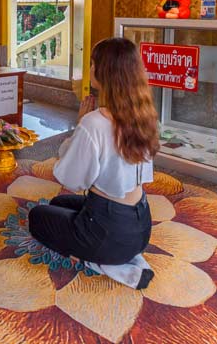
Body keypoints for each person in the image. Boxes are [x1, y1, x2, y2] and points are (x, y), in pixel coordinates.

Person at [28, 37, 159, 289]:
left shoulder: (95, 122)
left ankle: (104, 263)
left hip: (108, 235)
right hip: (140, 226)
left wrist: (80, 125)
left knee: (38, 217)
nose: (90, 68)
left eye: (92, 63)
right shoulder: (143, 114)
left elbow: (71, 179)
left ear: (104, 72)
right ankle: (114, 253)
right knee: (58, 203)